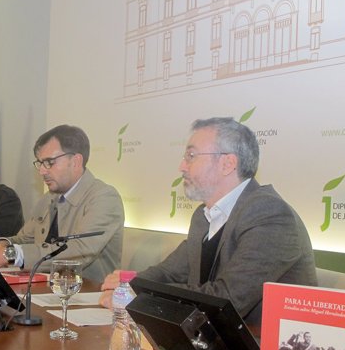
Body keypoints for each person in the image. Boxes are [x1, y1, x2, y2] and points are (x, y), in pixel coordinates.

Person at [100, 117, 317, 327]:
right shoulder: (204, 215)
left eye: (191, 156)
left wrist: (140, 298)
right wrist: (129, 285)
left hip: (262, 349)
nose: (182, 166)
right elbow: (169, 272)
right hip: (214, 340)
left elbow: (226, 300)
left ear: (227, 163)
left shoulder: (268, 213)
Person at [0, 125, 124, 283]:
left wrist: (12, 254)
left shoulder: (104, 197)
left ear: (76, 161)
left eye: (49, 162)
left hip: (87, 294)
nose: (42, 171)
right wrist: (4, 245)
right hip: (45, 289)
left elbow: (80, 250)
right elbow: (24, 239)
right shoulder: (48, 198)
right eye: (40, 163)